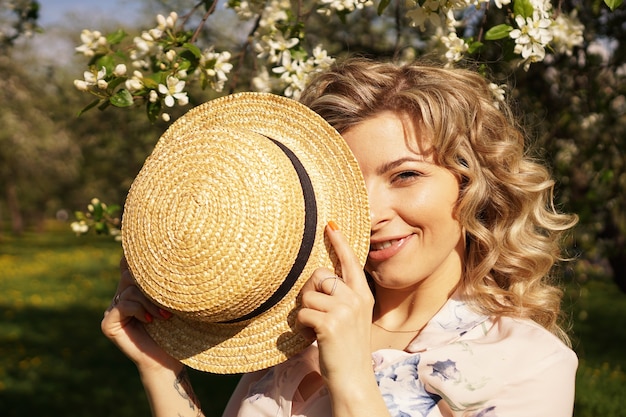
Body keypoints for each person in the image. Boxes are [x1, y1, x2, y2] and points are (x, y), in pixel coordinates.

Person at [101, 57, 578, 417]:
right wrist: (163, 372)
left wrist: (351, 376)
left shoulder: (527, 362)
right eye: (350, 186)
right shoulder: (289, 329)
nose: (369, 214)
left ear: (471, 184)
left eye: (405, 175)